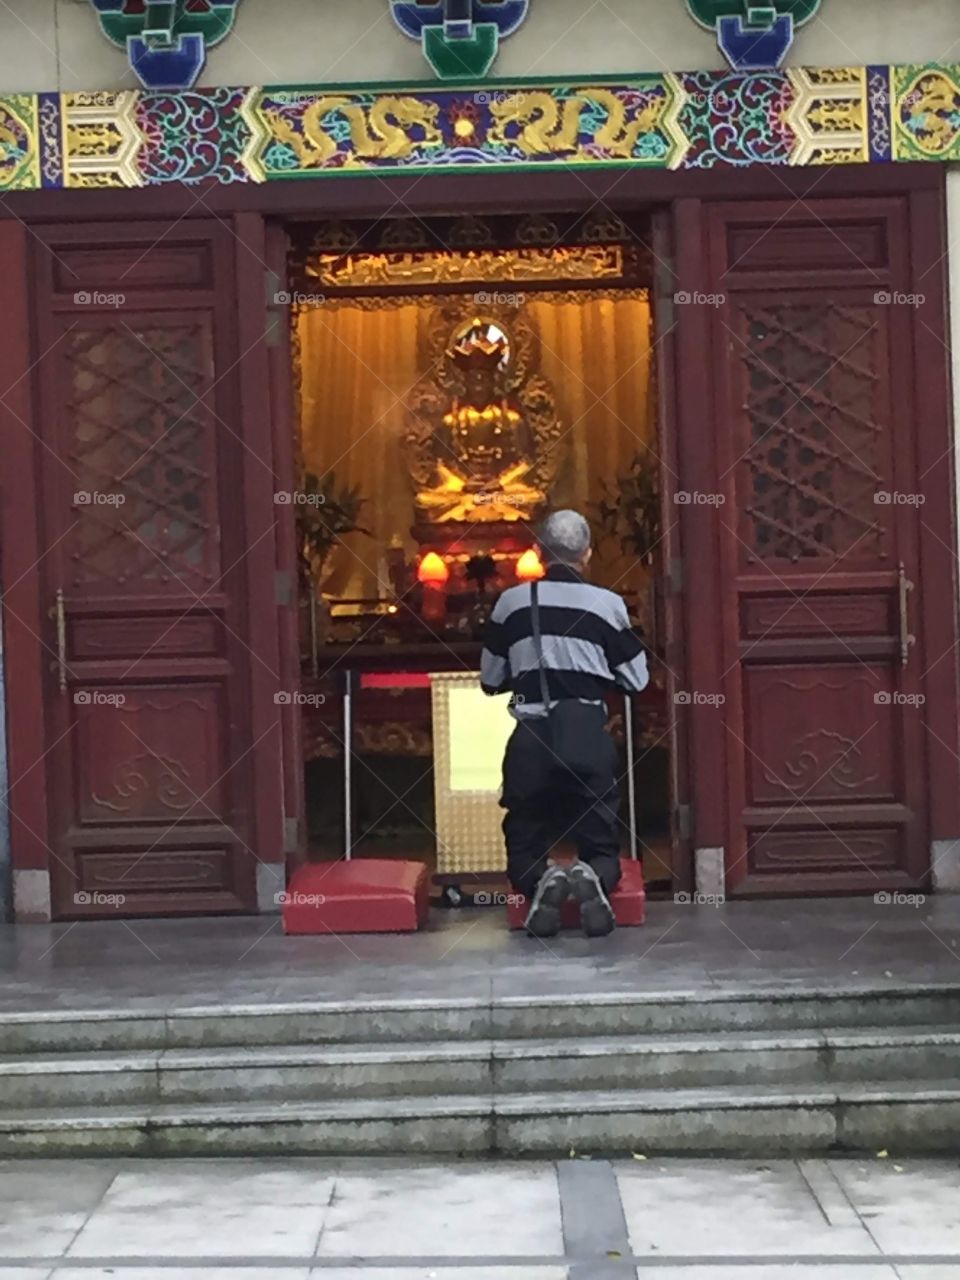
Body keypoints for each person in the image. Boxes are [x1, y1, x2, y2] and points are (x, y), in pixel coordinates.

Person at [480, 510, 650, 938]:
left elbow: (490, 680)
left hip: (531, 737)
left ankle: (540, 881)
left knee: (524, 831)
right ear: (587, 554)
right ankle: (594, 877)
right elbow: (637, 679)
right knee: (600, 833)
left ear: (538, 553)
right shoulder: (607, 605)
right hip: (586, 734)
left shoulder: (510, 604)